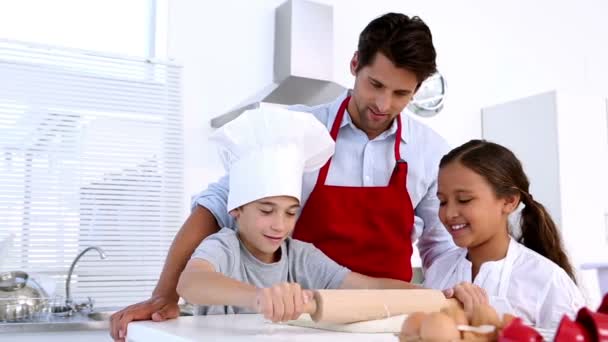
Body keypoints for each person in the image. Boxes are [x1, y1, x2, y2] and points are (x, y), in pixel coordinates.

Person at [110, 12, 455, 340]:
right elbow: (215, 208)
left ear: (417, 89)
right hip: (299, 322)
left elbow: (438, 249)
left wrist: (443, 300)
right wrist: (163, 295)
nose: (383, 103)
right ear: (355, 65)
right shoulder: (295, 128)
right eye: (375, 84)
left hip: (389, 321)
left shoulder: (431, 151)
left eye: (400, 94)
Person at [177, 107, 423, 322]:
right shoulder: (224, 247)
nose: (279, 225)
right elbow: (190, 283)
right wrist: (261, 298)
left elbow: (367, 286)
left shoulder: (300, 256)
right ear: (236, 210)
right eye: (266, 210)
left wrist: (431, 294)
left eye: (290, 213)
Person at [423, 139, 585, 329]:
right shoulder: (439, 271)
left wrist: (488, 326)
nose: (449, 213)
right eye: (442, 202)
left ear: (509, 201)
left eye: (464, 200)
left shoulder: (548, 281)